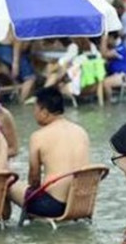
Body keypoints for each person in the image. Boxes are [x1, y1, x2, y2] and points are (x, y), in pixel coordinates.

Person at [8, 87, 90, 218]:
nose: (33, 114)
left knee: (8, 185)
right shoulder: (81, 132)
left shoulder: (38, 136)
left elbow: (34, 178)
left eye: (35, 109)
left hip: (53, 206)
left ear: (44, 112)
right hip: (82, 204)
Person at [103, 32, 126, 103]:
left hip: (123, 75)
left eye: (108, 39)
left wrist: (103, 40)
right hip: (117, 73)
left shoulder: (120, 49)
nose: (108, 41)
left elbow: (105, 54)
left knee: (106, 83)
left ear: (112, 38)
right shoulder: (118, 47)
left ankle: (108, 104)